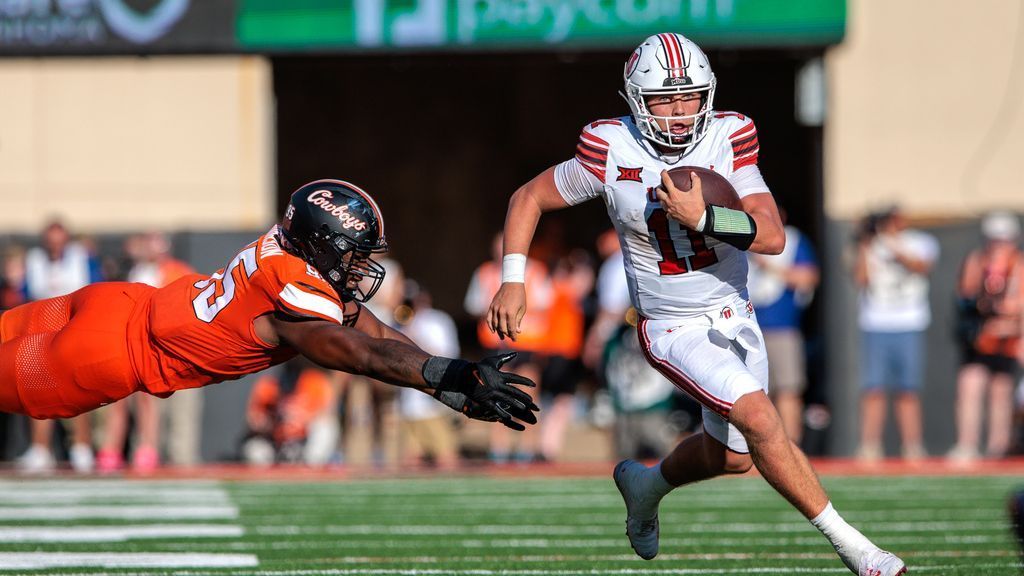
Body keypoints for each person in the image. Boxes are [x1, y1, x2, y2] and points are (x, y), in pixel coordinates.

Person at [486, 33, 906, 575]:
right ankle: (858, 549)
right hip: (671, 326)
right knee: (760, 417)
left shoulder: (728, 136)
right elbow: (530, 197)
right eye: (665, 98)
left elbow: (772, 234)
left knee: (732, 457)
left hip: (736, 313)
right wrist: (513, 278)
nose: (681, 110)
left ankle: (646, 484)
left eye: (690, 95)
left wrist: (706, 218)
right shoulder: (611, 147)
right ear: (637, 100)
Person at [0, 180, 539, 444]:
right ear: (323, 246)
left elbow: (375, 330)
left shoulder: (282, 247)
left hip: (111, 302)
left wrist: (447, 386)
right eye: (352, 255)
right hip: (104, 356)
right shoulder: (294, 298)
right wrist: (454, 373)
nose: (359, 268)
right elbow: (364, 354)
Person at [97, 231, 197, 473]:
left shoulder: (177, 271)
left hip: (168, 349)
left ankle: (156, 452)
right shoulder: (133, 271)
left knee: (158, 407)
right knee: (121, 402)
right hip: (133, 345)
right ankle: (117, 449)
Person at [853, 206, 937, 461]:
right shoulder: (869, 245)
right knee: (873, 388)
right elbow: (861, 278)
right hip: (876, 322)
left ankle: (912, 445)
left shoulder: (921, 242)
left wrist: (892, 245)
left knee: (908, 389)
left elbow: (920, 266)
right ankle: (869, 446)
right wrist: (867, 245)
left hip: (909, 322)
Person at [19, 220, 98, 473]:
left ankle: (81, 448)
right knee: (40, 391)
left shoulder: (79, 258)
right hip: (42, 333)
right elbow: (25, 293)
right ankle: (40, 448)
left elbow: (94, 290)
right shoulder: (35, 260)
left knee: (78, 389)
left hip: (73, 330)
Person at [465, 233, 551, 463]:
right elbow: (474, 306)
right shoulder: (484, 273)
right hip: (496, 343)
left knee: (529, 394)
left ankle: (527, 447)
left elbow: (545, 304)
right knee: (495, 392)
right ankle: (499, 448)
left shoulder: (536, 271)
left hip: (528, 341)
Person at [949, 211, 1023, 462]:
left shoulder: (1019, 265)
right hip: (980, 338)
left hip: (1008, 339)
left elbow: (1016, 307)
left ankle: (997, 447)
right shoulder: (977, 261)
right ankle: (967, 444)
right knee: (970, 386)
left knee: (1001, 393)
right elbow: (966, 296)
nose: (999, 246)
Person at [746, 210, 819, 444]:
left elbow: (808, 278)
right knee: (750, 394)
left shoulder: (794, 240)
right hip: (747, 328)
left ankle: (791, 446)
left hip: (782, 328)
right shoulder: (740, 241)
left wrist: (770, 267)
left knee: (788, 389)